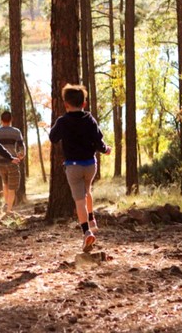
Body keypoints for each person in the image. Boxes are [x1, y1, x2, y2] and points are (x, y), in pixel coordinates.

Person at [49, 84, 111, 252]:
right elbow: (99, 142)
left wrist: (59, 125)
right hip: (90, 165)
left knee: (79, 200)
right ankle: (92, 219)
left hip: (73, 166)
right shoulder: (90, 119)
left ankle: (86, 232)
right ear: (84, 104)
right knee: (87, 190)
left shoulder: (63, 121)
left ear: (66, 104)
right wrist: (106, 149)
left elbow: (53, 138)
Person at [0, 110, 25, 215]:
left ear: (1, 120)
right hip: (12, 162)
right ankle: (9, 210)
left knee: (5, 183)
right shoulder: (16, 131)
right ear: (11, 120)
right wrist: (21, 155)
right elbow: (21, 147)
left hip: (0, 162)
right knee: (12, 187)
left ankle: (6, 205)